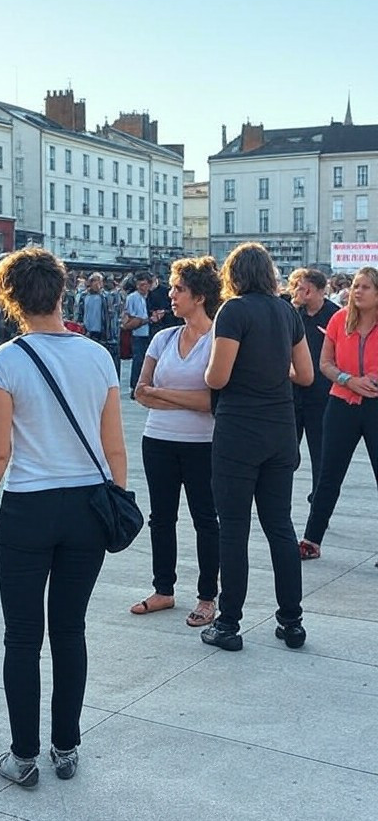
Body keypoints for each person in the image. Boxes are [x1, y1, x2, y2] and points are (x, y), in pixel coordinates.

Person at [0, 247, 126, 787]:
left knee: (22, 637)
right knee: (71, 630)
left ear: (10, 299)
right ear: (62, 293)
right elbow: (115, 449)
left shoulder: (8, 359)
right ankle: (66, 747)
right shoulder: (98, 357)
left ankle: (24, 756)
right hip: (87, 507)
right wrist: (117, 503)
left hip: (29, 507)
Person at [202, 242, 313, 652]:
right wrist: (272, 368)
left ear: (234, 274)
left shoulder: (233, 311)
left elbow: (217, 377)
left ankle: (229, 624)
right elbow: (305, 374)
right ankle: (291, 621)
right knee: (280, 526)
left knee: (233, 529)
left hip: (239, 432)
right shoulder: (288, 312)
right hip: (280, 430)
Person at [131, 257, 221, 627]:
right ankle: (163, 589)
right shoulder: (163, 337)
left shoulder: (219, 339)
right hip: (158, 439)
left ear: (198, 296)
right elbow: (140, 391)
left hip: (203, 443)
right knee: (161, 519)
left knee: (205, 520)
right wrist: (175, 396)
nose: (170, 295)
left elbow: (213, 402)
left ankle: (207, 597)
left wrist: (163, 393)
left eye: (178, 289)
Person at [299, 267, 378, 560]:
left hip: (375, 403)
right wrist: (349, 380)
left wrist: (371, 380)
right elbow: (325, 364)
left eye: (366, 287)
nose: (357, 291)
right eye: (356, 285)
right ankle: (311, 540)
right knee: (328, 475)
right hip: (341, 403)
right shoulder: (338, 319)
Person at [289, 269, 339, 503]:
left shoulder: (335, 315)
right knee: (287, 448)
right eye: (299, 287)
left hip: (322, 393)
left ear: (320, 290)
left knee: (320, 449)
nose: (301, 292)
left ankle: (318, 498)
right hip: (292, 390)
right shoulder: (292, 312)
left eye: (305, 288)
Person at [75, 273, 120, 375]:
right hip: (87, 332)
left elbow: (112, 315)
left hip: (102, 333)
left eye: (99, 281)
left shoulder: (106, 297)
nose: (97, 284)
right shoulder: (83, 296)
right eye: (94, 281)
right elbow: (79, 313)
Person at [123, 272, 155, 398]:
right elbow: (129, 316)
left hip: (152, 332)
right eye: (139, 285)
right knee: (138, 360)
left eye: (144, 285)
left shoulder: (152, 297)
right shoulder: (132, 298)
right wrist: (145, 320)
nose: (142, 287)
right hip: (139, 333)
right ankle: (134, 386)